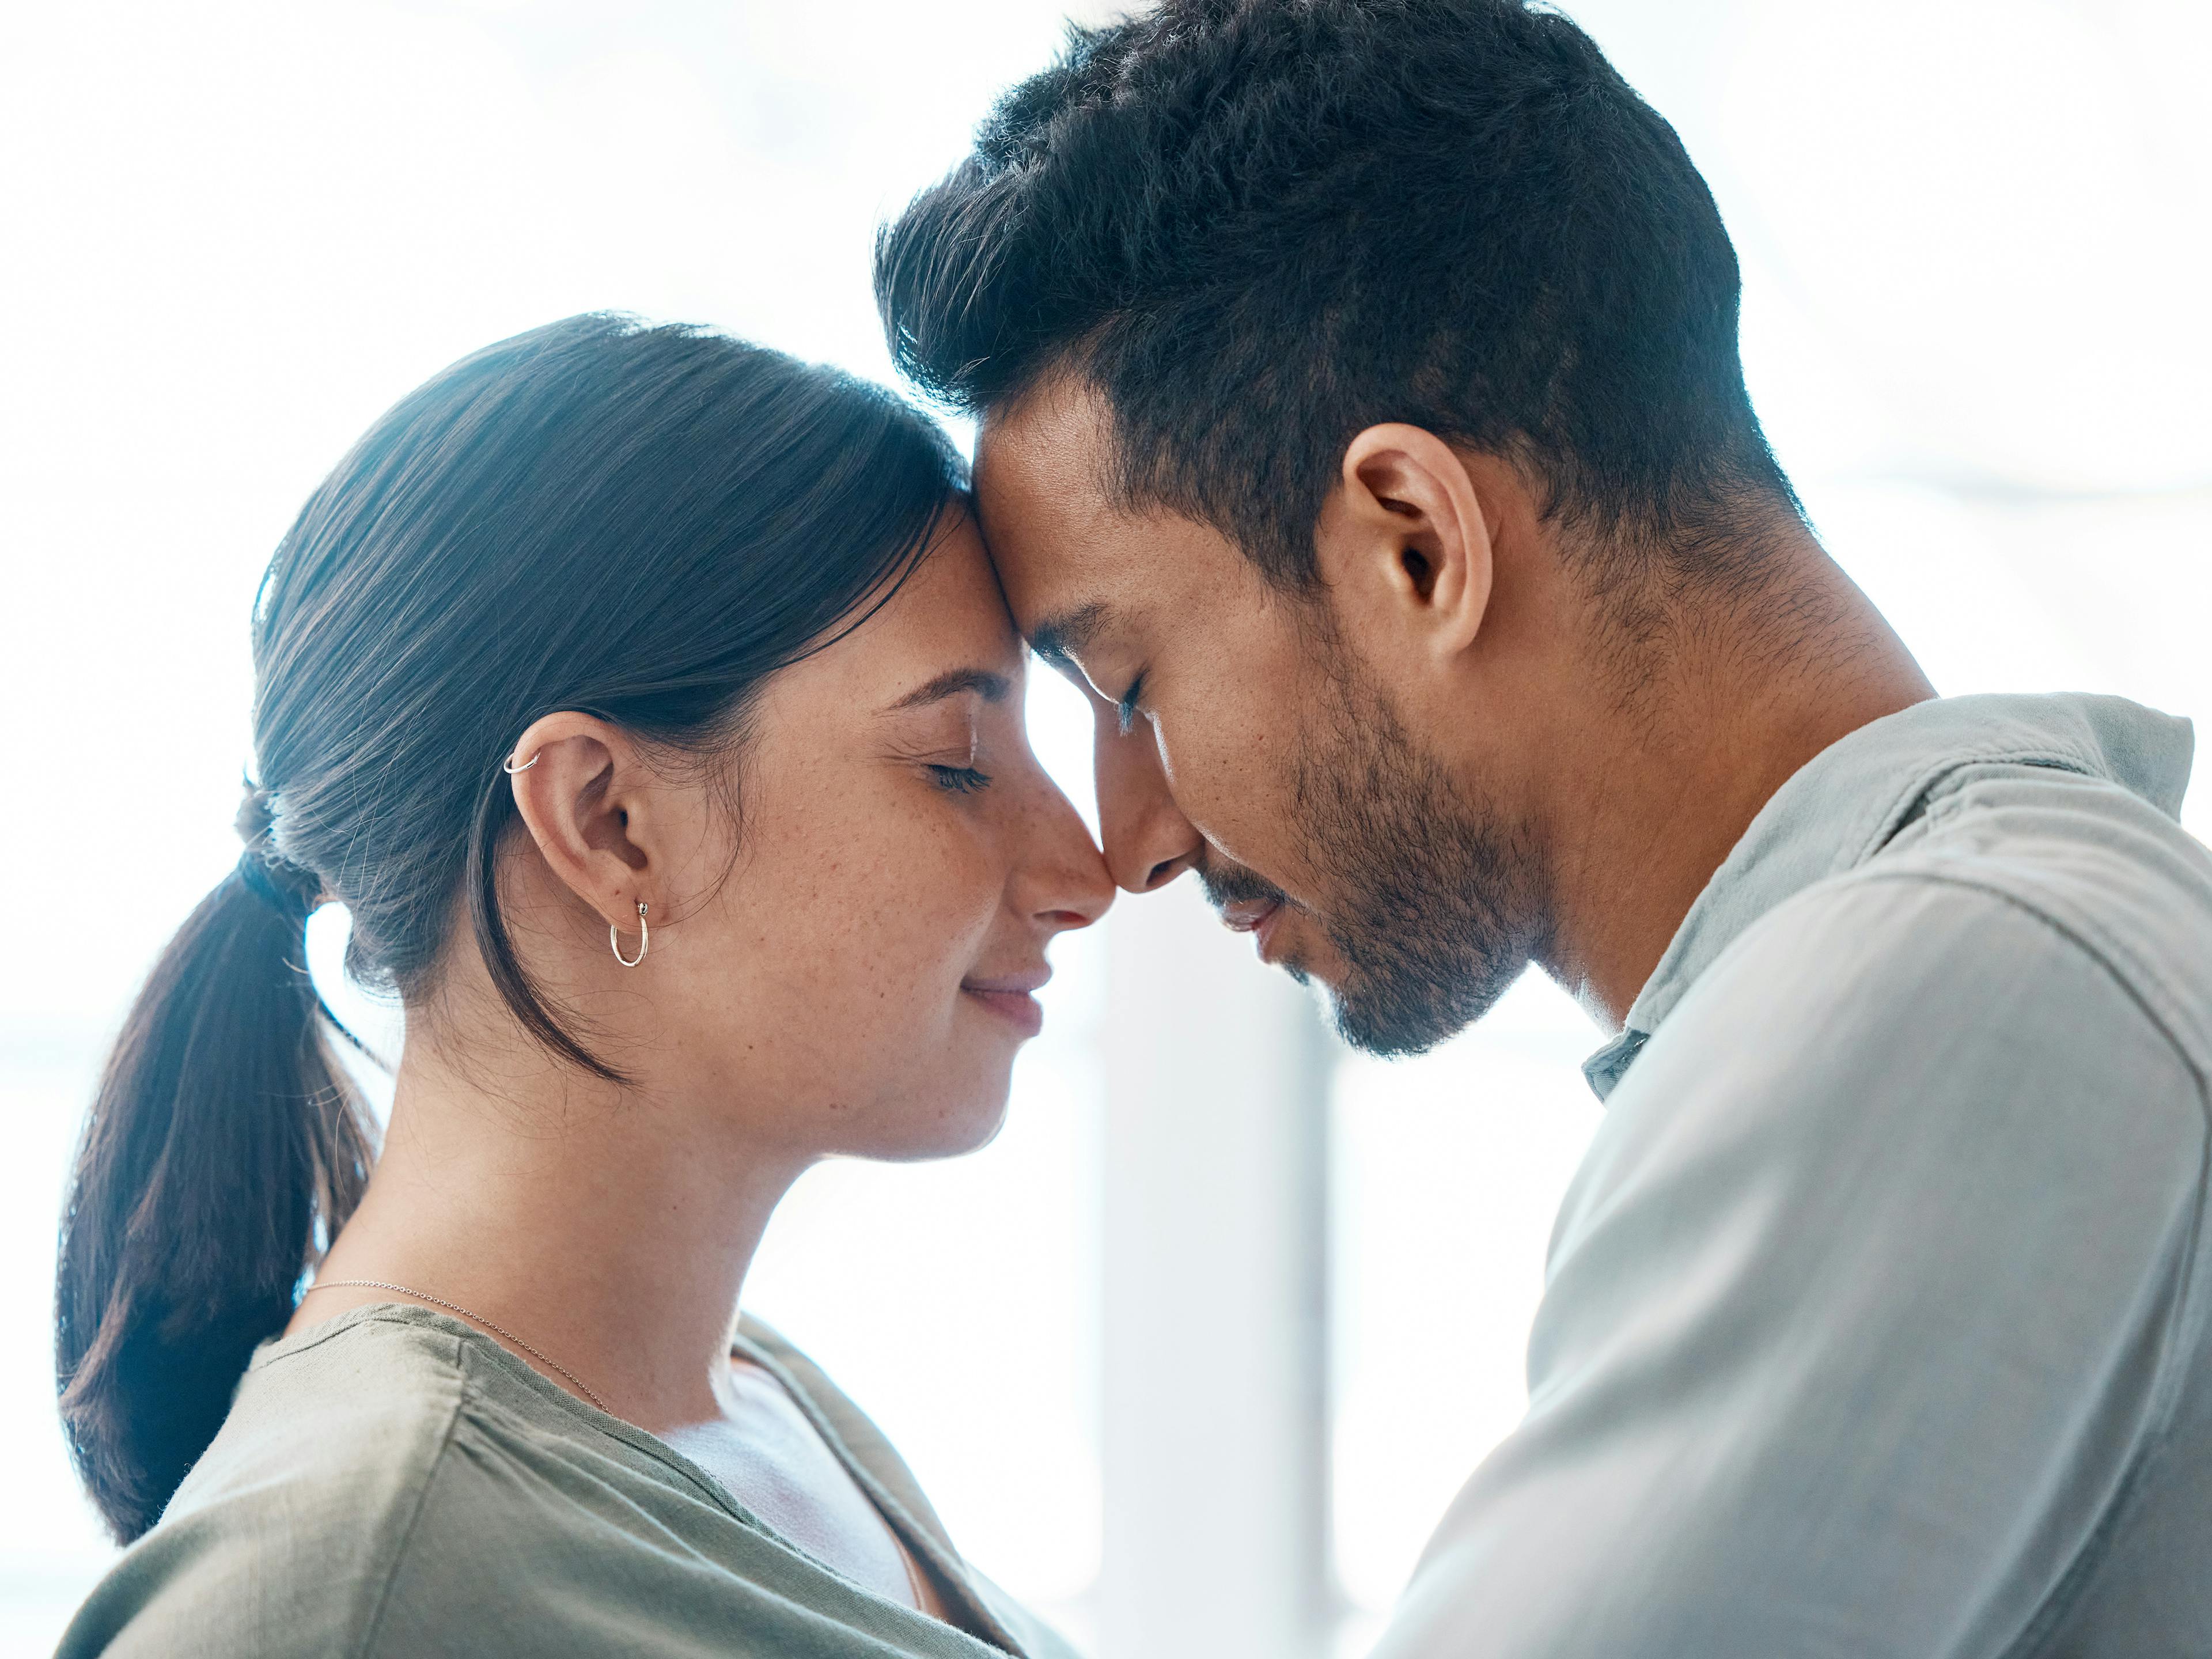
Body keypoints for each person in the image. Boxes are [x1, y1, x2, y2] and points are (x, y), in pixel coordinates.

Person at [875, 2, 2212, 1654]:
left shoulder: (1965, 973)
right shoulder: (1975, 956)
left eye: (1129, 681)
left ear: (1416, 544)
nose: (1132, 840)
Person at [53, 313, 1112, 1658]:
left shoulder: (759, 1402)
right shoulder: (351, 1583)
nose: (1085, 866)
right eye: (958, 760)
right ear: (606, 822)